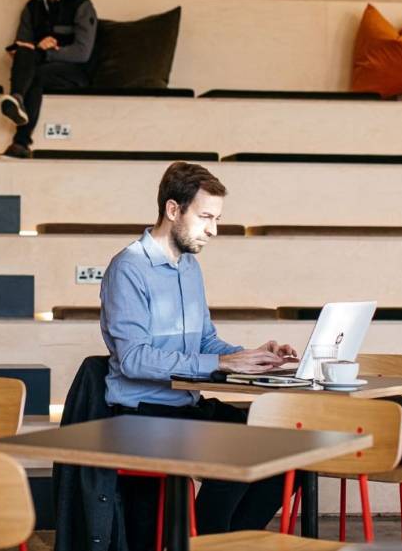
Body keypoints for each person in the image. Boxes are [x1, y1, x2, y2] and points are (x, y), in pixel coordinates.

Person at [100, 161, 299, 547]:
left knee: (285, 448)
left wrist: (253, 356)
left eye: (217, 218)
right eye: (205, 216)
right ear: (173, 210)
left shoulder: (188, 266)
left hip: (186, 410)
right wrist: (222, 364)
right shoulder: (128, 270)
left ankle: (220, 542)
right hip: (141, 416)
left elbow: (205, 342)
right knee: (233, 449)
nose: (213, 229)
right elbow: (135, 359)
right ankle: (208, 541)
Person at [0, 0, 97, 159]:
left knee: (34, 72)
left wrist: (47, 51)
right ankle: (17, 104)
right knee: (27, 58)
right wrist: (30, 49)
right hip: (39, 68)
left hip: (74, 72)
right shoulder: (31, 8)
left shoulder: (81, 5)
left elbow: (82, 53)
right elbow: (22, 47)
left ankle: (20, 136)